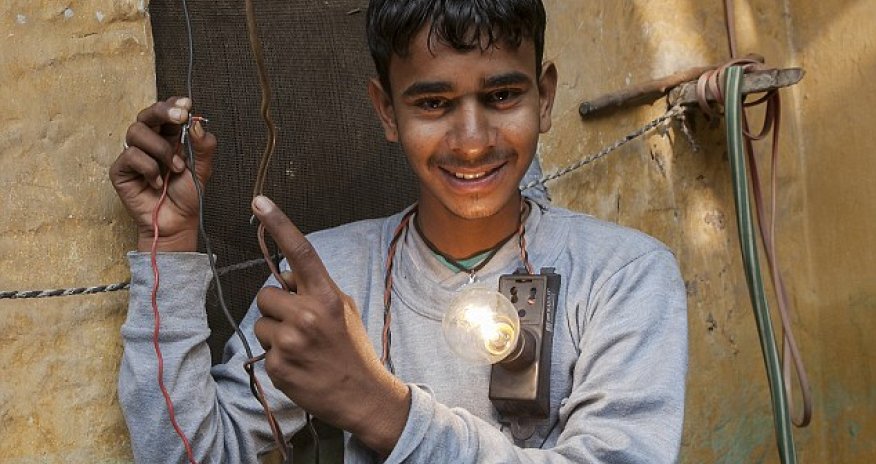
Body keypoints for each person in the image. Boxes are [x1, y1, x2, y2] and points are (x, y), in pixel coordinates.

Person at [110, 0, 688, 462]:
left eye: (503, 95)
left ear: (546, 96)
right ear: (387, 111)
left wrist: (381, 408)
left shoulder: (622, 275)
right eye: (433, 103)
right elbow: (189, 455)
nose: (472, 139)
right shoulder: (331, 282)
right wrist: (170, 245)